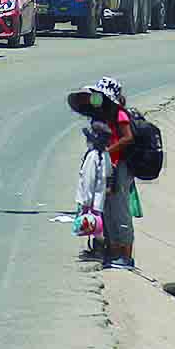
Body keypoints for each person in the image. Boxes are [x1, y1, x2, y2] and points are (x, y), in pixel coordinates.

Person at [68, 76, 137, 269]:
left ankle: (126, 256)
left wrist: (107, 151)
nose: (96, 99)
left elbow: (127, 138)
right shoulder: (101, 115)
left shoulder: (120, 114)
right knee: (106, 210)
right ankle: (112, 251)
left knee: (120, 211)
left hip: (120, 167)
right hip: (106, 169)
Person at [73, 119, 112, 262]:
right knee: (97, 225)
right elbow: (108, 173)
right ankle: (99, 250)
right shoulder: (105, 155)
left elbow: (88, 180)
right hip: (99, 198)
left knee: (94, 227)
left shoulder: (92, 156)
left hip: (90, 199)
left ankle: (98, 252)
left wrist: (86, 201)